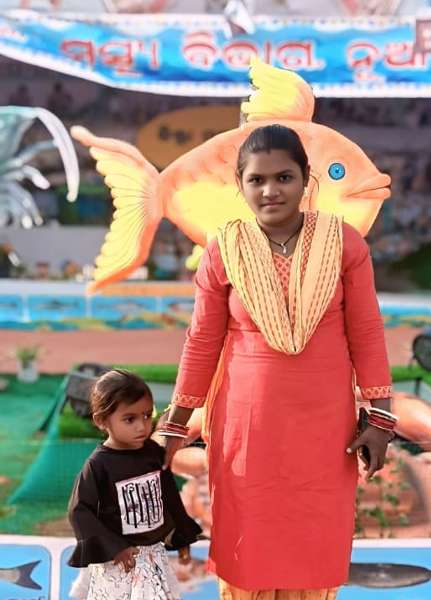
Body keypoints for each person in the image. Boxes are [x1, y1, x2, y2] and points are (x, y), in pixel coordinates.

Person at [157, 124, 395, 599]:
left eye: (284, 177)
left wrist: (381, 418)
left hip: (324, 429)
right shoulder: (224, 248)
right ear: (240, 185)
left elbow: (366, 332)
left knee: (314, 547)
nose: (271, 190)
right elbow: (202, 341)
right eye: (257, 179)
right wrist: (175, 424)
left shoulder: (345, 244)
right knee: (249, 547)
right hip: (247, 427)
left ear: (307, 179)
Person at [68, 369, 202, 600]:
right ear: (102, 421)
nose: (142, 426)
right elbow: (79, 511)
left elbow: (169, 496)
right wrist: (115, 547)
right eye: (130, 419)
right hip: (118, 563)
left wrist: (183, 536)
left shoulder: (154, 454)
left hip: (154, 557)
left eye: (147, 415)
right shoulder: (99, 465)